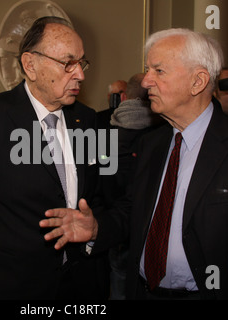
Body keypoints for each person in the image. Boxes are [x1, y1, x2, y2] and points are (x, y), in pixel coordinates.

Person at [40, 28, 228, 300]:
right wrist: (98, 228)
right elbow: (132, 211)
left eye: (158, 71)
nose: (146, 82)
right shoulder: (151, 145)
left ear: (198, 82)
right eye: (148, 70)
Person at [0, 16, 109, 300]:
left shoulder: (88, 120)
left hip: (78, 284)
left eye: (82, 63)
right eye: (68, 63)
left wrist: (95, 230)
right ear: (30, 65)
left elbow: (102, 197)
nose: (80, 74)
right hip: (9, 284)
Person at [104, 73, 163, 299]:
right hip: (149, 226)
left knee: (119, 283)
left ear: (124, 97)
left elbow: (103, 182)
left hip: (116, 223)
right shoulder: (162, 133)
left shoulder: (105, 131)